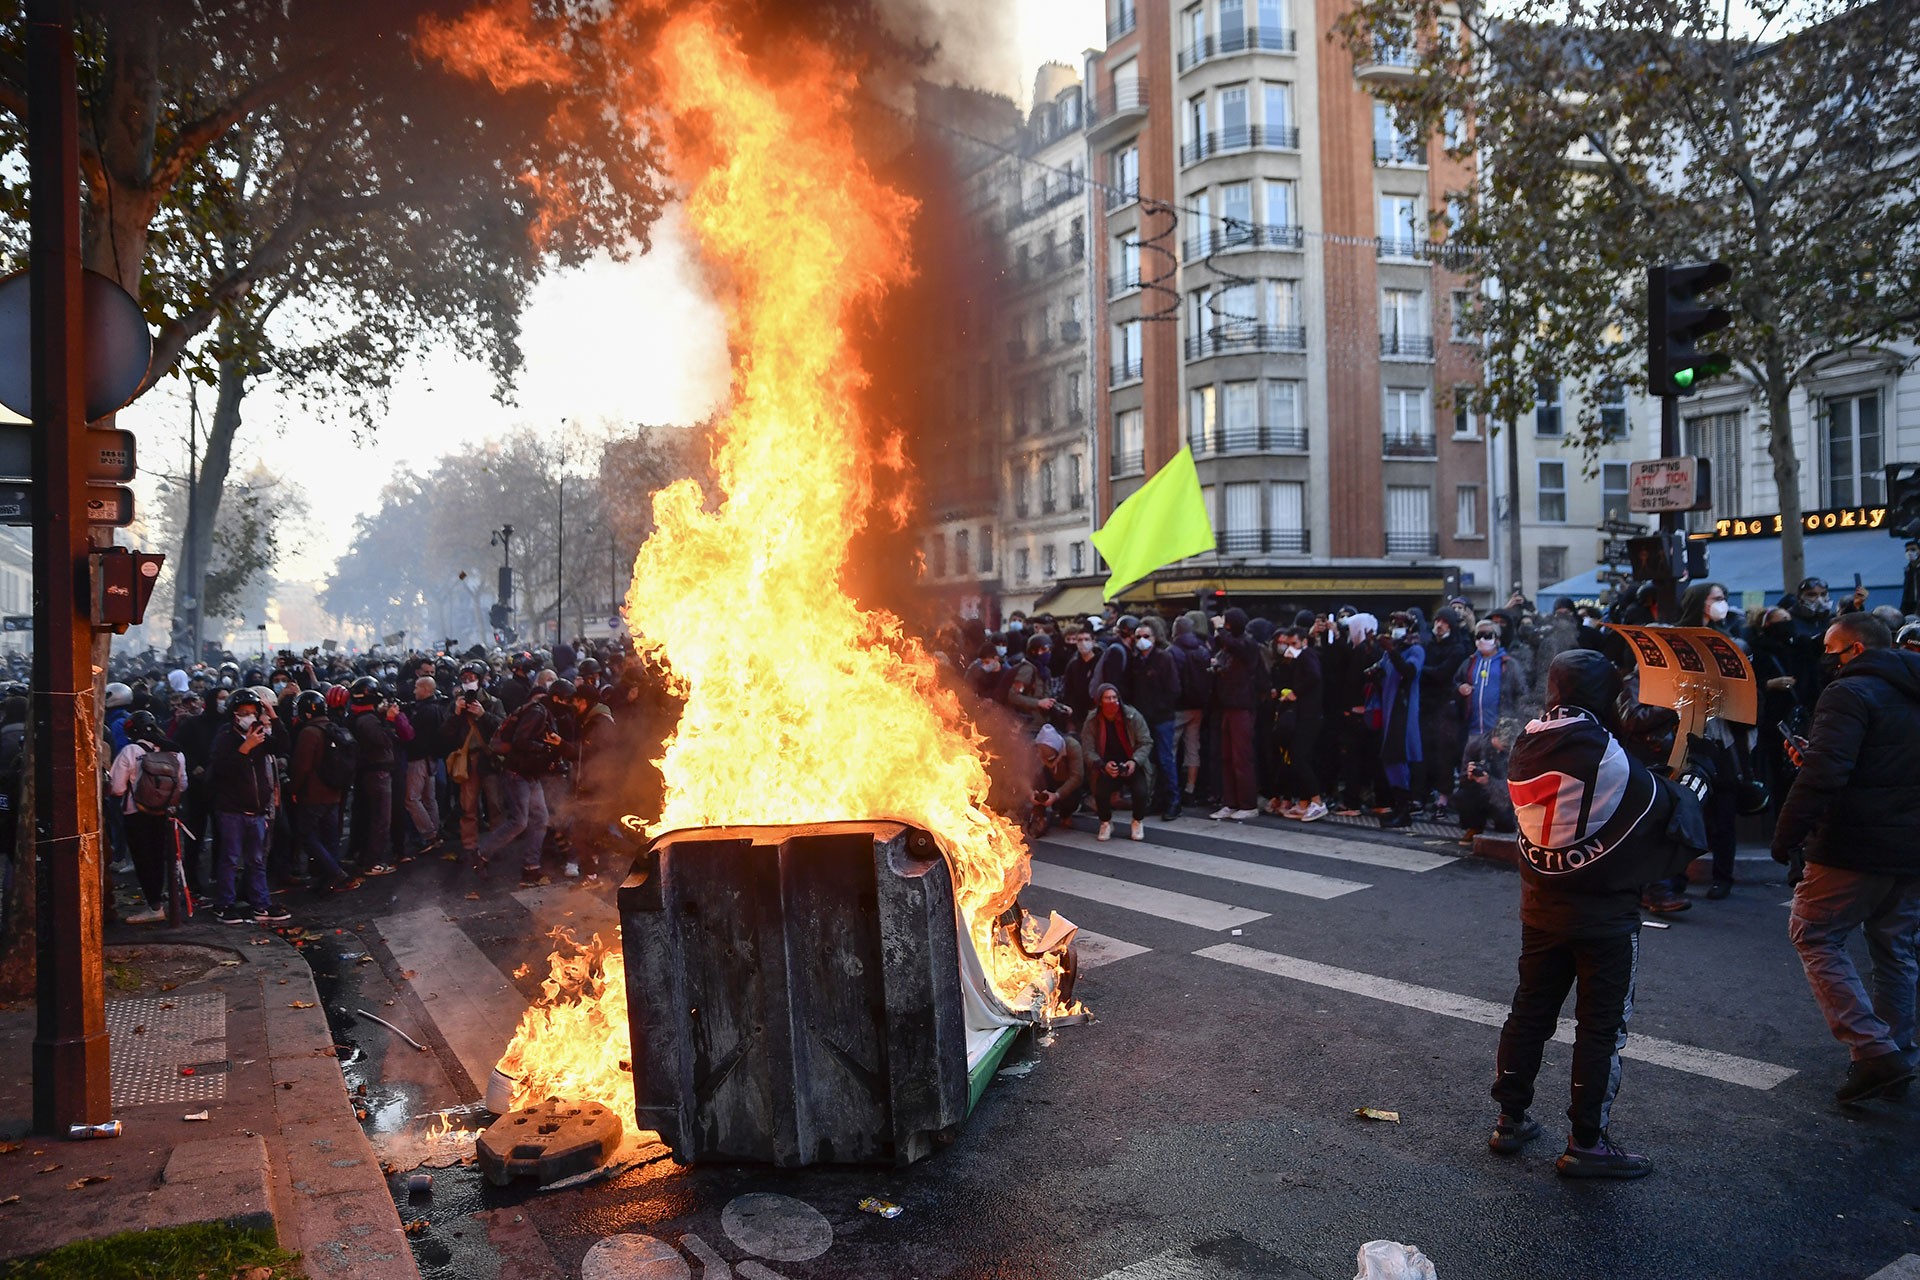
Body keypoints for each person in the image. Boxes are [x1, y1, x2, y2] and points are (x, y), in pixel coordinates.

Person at [1490, 650, 1713, 1178]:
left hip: (1541, 906)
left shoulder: (1529, 740)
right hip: (1603, 917)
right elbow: (1666, 810)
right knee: (1600, 1030)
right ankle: (1587, 1142)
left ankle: (1510, 1119)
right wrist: (1695, 778)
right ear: (1604, 695)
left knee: (1529, 1015)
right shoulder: (1604, 753)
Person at [1773, 612, 1920, 1105]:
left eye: (1832, 652)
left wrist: (1788, 833)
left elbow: (1826, 774)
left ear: (1856, 650)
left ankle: (1876, 1052)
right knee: (1896, 949)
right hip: (1910, 846)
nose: (1826, 661)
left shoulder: (1849, 693)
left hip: (1855, 842)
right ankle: (1897, 1054)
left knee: (1813, 932)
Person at [206, 688, 290, 924]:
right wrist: (245, 749)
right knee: (230, 859)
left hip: (257, 811)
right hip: (231, 812)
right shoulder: (225, 737)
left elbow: (282, 745)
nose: (249, 717)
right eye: (244, 713)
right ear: (234, 714)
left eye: (253, 712)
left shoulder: (259, 734)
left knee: (257, 861)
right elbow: (221, 770)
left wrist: (273, 715)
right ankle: (225, 904)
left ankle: (261, 903)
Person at [106, 710, 187, 924]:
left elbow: (116, 788)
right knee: (162, 857)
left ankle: (154, 906)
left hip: (136, 813)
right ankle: (165, 902)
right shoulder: (175, 752)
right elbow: (183, 784)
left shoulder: (130, 751)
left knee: (144, 861)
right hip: (166, 813)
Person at [482, 680, 561, 885]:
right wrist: (545, 748)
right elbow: (520, 741)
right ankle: (481, 854)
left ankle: (531, 868)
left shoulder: (544, 713)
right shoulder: (538, 712)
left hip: (529, 774)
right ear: (556, 698)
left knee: (541, 818)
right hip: (517, 773)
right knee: (519, 822)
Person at [286, 690, 358, 893]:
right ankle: (330, 875)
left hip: (313, 794)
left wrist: (293, 789)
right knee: (330, 836)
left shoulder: (309, 733)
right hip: (334, 791)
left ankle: (334, 872)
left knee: (306, 834)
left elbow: (302, 767)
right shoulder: (333, 728)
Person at [1371, 610, 1425, 830]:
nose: (1396, 627)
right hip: (1389, 709)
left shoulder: (1415, 650)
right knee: (1389, 759)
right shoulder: (1390, 652)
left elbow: (1409, 672)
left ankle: (1404, 810)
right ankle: (1399, 804)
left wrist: (1391, 651)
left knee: (1398, 757)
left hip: (1402, 711)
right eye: (1393, 623)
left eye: (1401, 623)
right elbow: (1381, 672)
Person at [1209, 608, 1264, 821]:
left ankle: (1248, 803)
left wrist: (1220, 629)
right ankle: (1230, 802)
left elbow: (1234, 646)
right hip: (1228, 706)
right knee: (1227, 757)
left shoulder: (1247, 644)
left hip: (1242, 706)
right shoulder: (1231, 644)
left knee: (1242, 758)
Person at [347, 676, 404, 877]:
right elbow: (384, 741)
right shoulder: (367, 720)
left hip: (370, 772)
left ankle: (367, 857)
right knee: (381, 819)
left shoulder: (360, 717)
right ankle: (372, 862)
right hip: (377, 773)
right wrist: (388, 720)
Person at [1080, 683, 1151, 842]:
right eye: (1107, 698)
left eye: (1114, 698)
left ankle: (1137, 821)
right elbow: (1087, 749)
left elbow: (1146, 742)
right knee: (1100, 792)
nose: (1112, 701)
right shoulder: (1092, 720)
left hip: (1131, 763)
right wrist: (1101, 764)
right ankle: (1105, 822)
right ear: (1100, 701)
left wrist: (1135, 761)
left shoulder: (1132, 716)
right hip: (1106, 765)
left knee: (1141, 792)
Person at [1269, 624, 1326, 821]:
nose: (1290, 647)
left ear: (1304, 641)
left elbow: (1313, 676)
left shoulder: (1307, 655)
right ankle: (1304, 802)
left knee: (1299, 757)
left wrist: (1295, 693)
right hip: (1305, 715)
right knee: (1300, 758)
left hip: (1308, 716)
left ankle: (1316, 801)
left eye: (1294, 643)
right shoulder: (1302, 658)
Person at [1126, 619, 1182, 820]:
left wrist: (1159, 708)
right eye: (1138, 637)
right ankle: (1158, 799)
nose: (1142, 640)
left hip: (1161, 718)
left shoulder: (1164, 659)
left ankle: (1173, 801)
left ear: (1154, 638)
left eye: (1146, 637)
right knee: (1151, 762)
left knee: (1166, 760)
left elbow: (1174, 689)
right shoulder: (1135, 661)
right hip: (1143, 720)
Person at [403, 675, 448, 857]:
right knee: (429, 798)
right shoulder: (435, 709)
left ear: (426, 690)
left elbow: (415, 736)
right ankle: (434, 833)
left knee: (412, 799)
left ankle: (429, 834)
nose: (414, 691)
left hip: (419, 758)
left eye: (417, 688)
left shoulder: (426, 711)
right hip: (431, 758)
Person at [1030, 722, 1085, 832]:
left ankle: (1065, 814)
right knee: (1036, 781)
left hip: (1065, 780)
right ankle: (1039, 815)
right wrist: (1029, 792)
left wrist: (1057, 795)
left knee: (1071, 799)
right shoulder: (1033, 748)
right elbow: (1024, 773)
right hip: (1045, 779)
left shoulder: (1073, 746)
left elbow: (1077, 777)